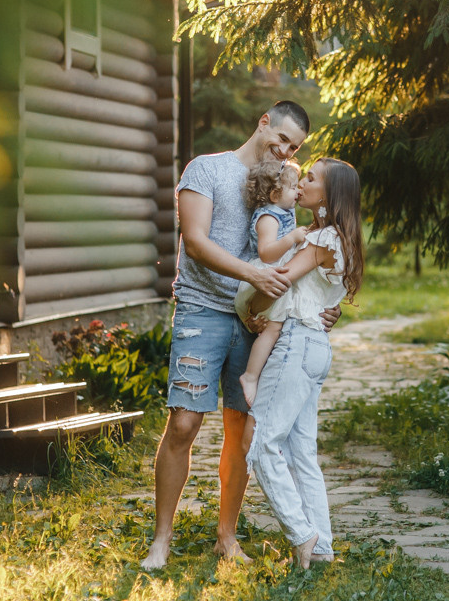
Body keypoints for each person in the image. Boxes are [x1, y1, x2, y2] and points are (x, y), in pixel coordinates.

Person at [141, 101, 340, 570]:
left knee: (242, 433)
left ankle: (226, 536)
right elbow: (196, 241)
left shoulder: (285, 192)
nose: (286, 150)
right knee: (185, 424)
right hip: (202, 310)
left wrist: (319, 309)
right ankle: (161, 539)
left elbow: (302, 263)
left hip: (256, 320)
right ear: (263, 121)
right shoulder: (206, 170)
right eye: (283, 138)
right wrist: (252, 274)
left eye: (295, 147)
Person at [242, 158, 364, 569]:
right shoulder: (332, 236)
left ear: (329, 195)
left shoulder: (323, 238)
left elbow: (278, 278)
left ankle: (302, 534)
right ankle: (323, 549)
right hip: (316, 348)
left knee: (259, 443)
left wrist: (246, 310)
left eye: (311, 178)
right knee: (301, 453)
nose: (304, 182)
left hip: (296, 343)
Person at [234, 158, 309, 406]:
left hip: (274, 275)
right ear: (276, 194)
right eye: (293, 187)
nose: (298, 191)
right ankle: (250, 376)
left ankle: (259, 377)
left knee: (273, 329)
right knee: (272, 329)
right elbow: (266, 253)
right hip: (265, 276)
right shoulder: (268, 218)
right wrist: (292, 238)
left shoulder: (282, 210)